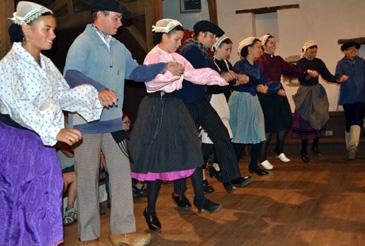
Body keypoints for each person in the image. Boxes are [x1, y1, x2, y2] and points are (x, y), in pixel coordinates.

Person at [63, 0, 185, 244]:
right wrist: (99, 89)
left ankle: (123, 232)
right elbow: (72, 73)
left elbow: (136, 72)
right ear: (100, 15)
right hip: (85, 124)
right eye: (116, 18)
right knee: (86, 179)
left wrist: (164, 67)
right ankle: (88, 237)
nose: (121, 23)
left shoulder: (118, 47)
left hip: (113, 124)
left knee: (121, 174)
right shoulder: (83, 42)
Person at [0, 1, 110, 245]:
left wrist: (93, 94)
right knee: (23, 203)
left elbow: (61, 94)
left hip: (42, 142)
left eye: (53, 30)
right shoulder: (8, 66)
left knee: (49, 194)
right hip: (17, 145)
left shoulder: (46, 64)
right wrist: (55, 130)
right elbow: (20, 108)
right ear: (26, 30)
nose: (53, 35)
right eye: (46, 29)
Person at [129, 18, 226, 233]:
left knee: (192, 149)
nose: (178, 43)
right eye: (175, 39)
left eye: (180, 39)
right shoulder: (153, 56)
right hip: (157, 107)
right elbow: (151, 83)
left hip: (175, 105)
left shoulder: (176, 56)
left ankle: (200, 198)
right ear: (164, 36)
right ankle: (150, 210)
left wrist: (217, 77)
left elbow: (192, 73)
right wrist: (168, 73)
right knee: (157, 160)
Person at [170, 20, 253, 209]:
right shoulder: (190, 50)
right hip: (187, 104)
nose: (214, 40)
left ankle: (231, 177)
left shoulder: (200, 52)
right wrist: (225, 78)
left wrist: (229, 78)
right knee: (188, 148)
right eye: (212, 36)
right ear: (202, 35)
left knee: (221, 134)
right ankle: (179, 192)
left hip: (199, 102)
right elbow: (203, 75)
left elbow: (211, 76)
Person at [257, 34, 318, 169]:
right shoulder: (260, 60)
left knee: (285, 122)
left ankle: (279, 151)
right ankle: (262, 158)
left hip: (279, 93)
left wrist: (306, 71)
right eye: (271, 43)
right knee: (269, 128)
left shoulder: (278, 59)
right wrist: (274, 89)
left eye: (274, 43)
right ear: (264, 45)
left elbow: (291, 69)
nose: (274, 45)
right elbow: (261, 78)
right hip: (267, 95)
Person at [200, 35, 251, 192]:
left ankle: (227, 176)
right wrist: (232, 82)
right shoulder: (209, 63)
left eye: (230, 50)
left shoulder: (226, 63)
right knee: (208, 146)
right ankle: (202, 178)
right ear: (216, 48)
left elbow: (229, 84)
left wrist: (239, 79)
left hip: (222, 103)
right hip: (211, 103)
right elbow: (211, 87)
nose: (229, 53)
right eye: (226, 49)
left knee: (224, 141)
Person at [292, 40, 348, 163]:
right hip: (305, 93)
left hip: (317, 93)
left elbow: (327, 76)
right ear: (305, 51)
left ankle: (315, 145)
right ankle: (303, 150)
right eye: (311, 52)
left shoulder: (318, 62)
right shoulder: (300, 63)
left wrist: (338, 79)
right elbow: (298, 76)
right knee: (305, 121)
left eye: (315, 52)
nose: (313, 54)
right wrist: (308, 75)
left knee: (321, 116)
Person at [229, 37, 269, 176]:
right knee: (241, 134)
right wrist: (256, 85)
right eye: (258, 47)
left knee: (258, 132)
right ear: (249, 49)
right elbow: (237, 81)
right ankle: (232, 169)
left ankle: (253, 165)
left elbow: (262, 81)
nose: (260, 50)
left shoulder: (257, 66)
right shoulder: (240, 65)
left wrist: (264, 86)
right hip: (241, 100)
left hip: (252, 100)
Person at [335, 41, 365, 159]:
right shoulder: (341, 63)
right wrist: (340, 78)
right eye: (350, 49)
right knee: (349, 122)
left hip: (362, 97)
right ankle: (349, 146)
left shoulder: (362, 62)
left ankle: (353, 148)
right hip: (348, 98)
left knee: (357, 120)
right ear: (345, 52)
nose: (353, 50)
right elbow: (337, 77)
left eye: (355, 48)